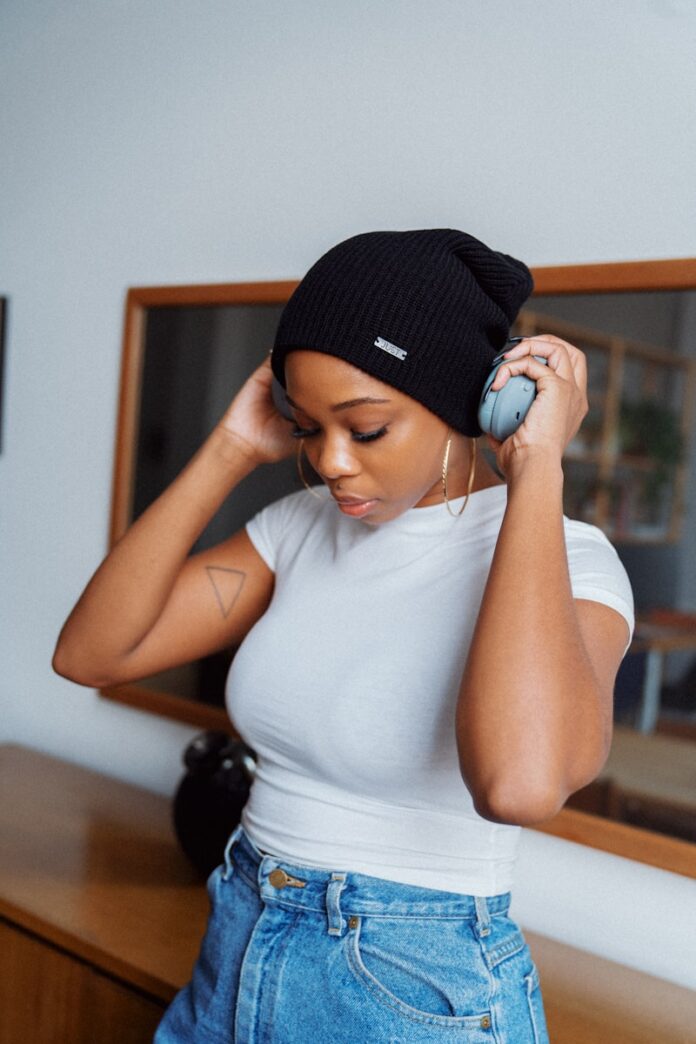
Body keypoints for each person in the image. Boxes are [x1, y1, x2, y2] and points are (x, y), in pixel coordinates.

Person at [53, 229, 634, 1043]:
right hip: (237, 939)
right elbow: (91, 654)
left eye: (365, 430)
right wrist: (228, 449)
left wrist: (536, 470)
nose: (329, 462)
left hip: (409, 984)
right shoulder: (298, 528)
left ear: (472, 404)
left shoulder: (570, 560)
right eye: (305, 426)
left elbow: (520, 786)